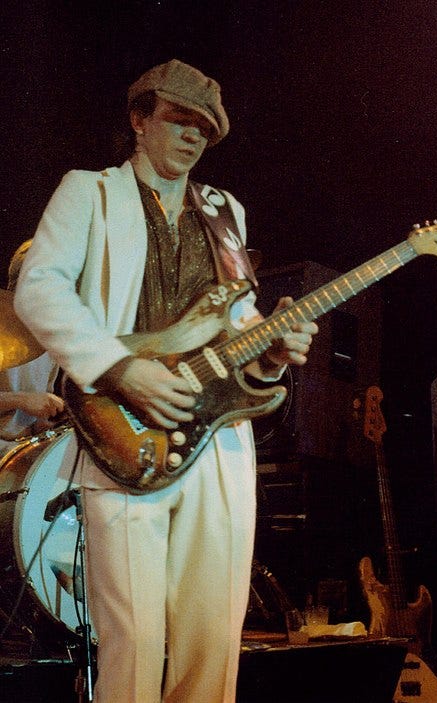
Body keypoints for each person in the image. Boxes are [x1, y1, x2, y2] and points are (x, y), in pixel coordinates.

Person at [14, 58, 318, 703]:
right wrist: (122, 368)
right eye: (177, 120)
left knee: (214, 634)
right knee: (133, 637)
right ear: (138, 119)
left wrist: (270, 352)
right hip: (123, 429)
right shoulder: (89, 192)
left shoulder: (224, 210)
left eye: (203, 130)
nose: (190, 137)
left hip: (219, 435)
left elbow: (239, 318)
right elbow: (39, 290)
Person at [0, 240, 64, 457]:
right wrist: (21, 400)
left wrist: (47, 421)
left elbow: (41, 409)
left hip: (23, 447)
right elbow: (30, 401)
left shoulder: (51, 335)